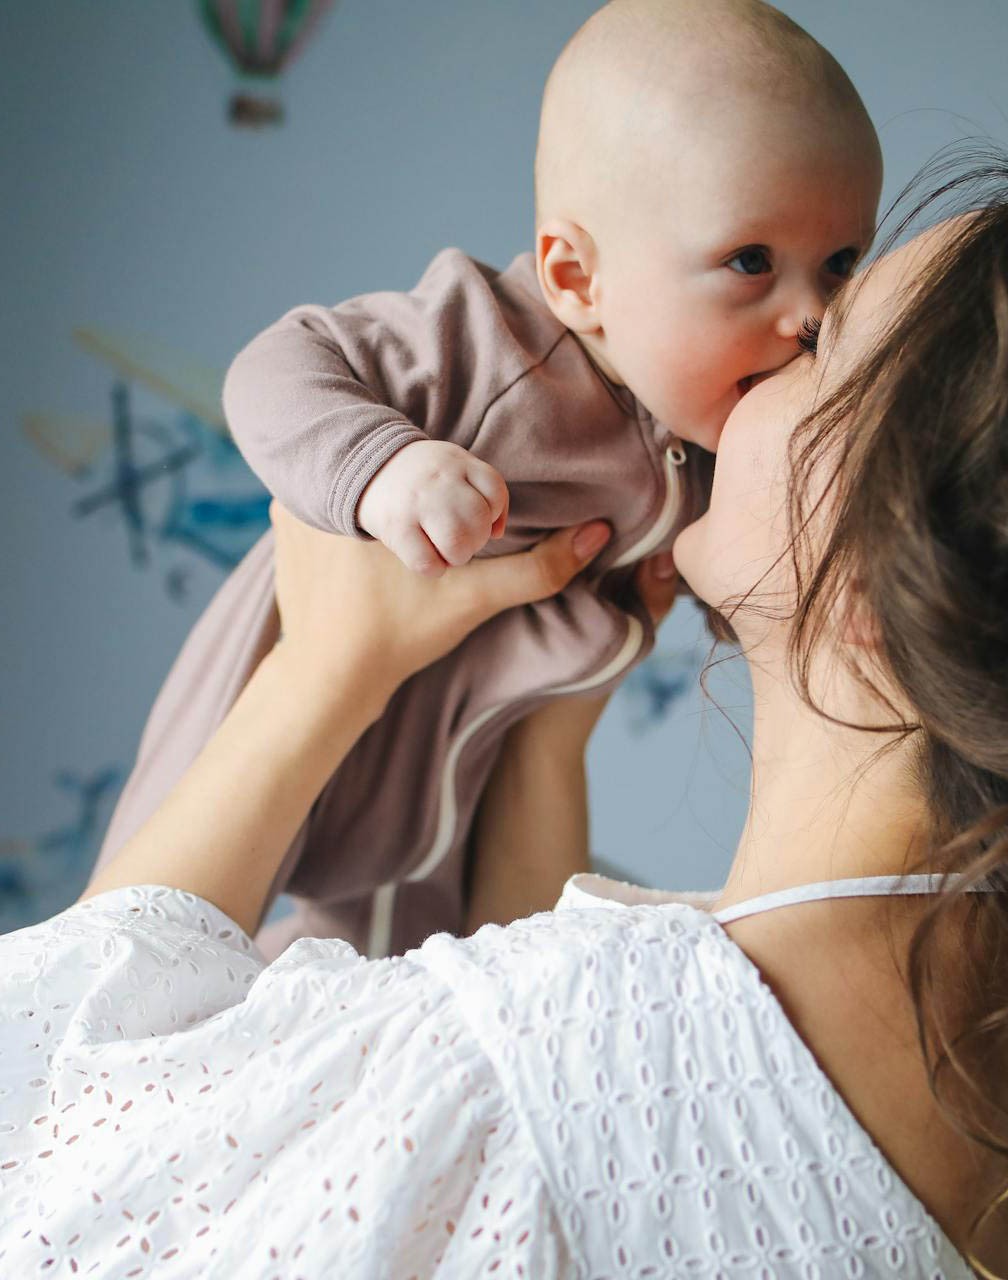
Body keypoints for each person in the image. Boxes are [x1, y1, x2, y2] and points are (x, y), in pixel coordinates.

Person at [4, 155, 1008, 1279]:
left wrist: (320, 675)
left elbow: (44, 1149)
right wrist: (548, 734)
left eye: (822, 351)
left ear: (893, 581)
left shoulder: (519, 1068)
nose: (756, 365)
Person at [90, 0, 883, 961]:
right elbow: (277, 364)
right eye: (751, 262)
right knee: (138, 946)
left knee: (398, 980)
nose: (810, 315)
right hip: (295, 681)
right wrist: (381, 465)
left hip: (459, 765)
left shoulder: (715, 425)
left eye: (841, 265)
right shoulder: (487, 345)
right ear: (576, 277)